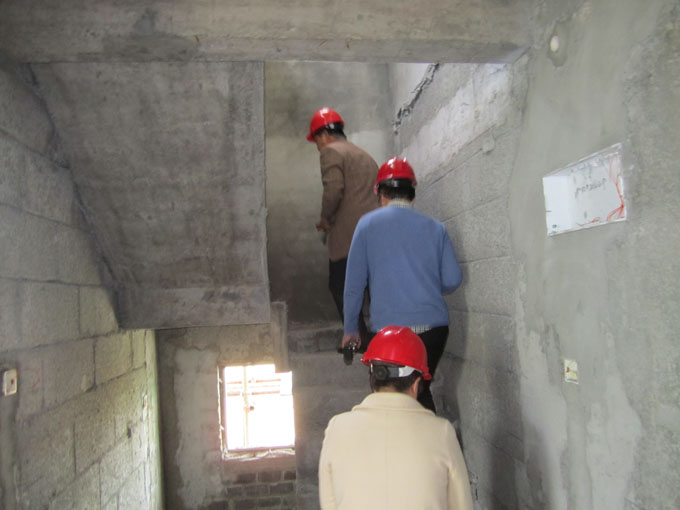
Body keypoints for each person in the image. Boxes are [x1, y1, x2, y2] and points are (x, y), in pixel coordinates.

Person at [341, 157, 462, 412]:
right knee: (419, 390)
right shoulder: (436, 228)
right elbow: (452, 280)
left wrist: (351, 329)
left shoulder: (367, 225)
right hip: (433, 331)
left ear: (380, 194)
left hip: (389, 335)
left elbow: (353, 285)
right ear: (412, 194)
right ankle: (432, 435)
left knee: (391, 400)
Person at [318, 325, 473, 510]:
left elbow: (329, 504)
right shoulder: (441, 432)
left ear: (372, 378)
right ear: (416, 385)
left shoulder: (337, 429)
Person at [307, 107, 378, 349]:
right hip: (374, 235)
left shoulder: (331, 151)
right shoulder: (363, 155)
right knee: (373, 288)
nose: (318, 146)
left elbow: (334, 190)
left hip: (349, 238)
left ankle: (358, 338)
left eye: (316, 140)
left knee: (339, 285)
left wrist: (325, 219)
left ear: (324, 135)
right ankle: (381, 338)